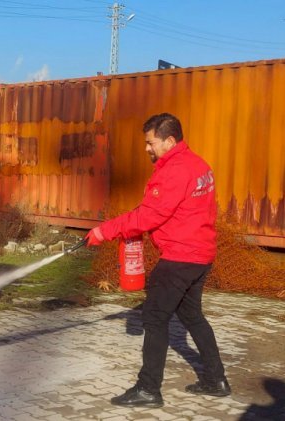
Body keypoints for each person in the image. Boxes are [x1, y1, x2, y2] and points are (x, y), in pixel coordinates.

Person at [85, 113, 230, 408]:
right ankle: (216, 380)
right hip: (201, 254)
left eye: (151, 143)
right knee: (192, 316)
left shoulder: (174, 171)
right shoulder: (199, 164)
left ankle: (148, 389)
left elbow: (149, 216)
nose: (147, 148)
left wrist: (104, 231)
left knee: (153, 317)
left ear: (169, 140)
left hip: (180, 256)